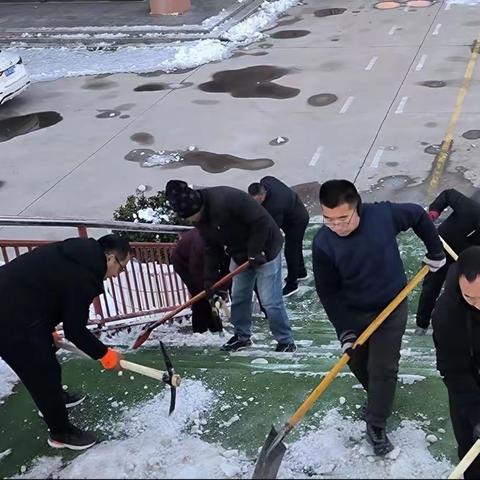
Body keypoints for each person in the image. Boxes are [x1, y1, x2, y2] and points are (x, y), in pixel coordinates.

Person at [312, 179, 445, 456]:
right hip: (353, 311)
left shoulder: (383, 216)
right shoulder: (323, 243)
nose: (336, 226)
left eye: (343, 219)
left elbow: (419, 216)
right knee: (360, 364)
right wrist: (345, 331)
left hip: (391, 304)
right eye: (328, 219)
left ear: (357, 207)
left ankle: (376, 424)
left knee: (384, 367)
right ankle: (378, 399)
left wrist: (435, 251)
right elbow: (328, 292)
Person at [0, 234, 129, 450]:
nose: (117, 275)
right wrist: (105, 355)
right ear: (110, 257)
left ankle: (54, 399)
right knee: (41, 368)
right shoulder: (84, 275)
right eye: (121, 268)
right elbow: (75, 331)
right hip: (9, 321)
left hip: (16, 309)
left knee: (45, 353)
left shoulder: (75, 255)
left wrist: (47, 328)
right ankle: (61, 432)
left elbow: (42, 289)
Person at [165, 180, 296, 352]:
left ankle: (285, 341)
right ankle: (242, 336)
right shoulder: (199, 218)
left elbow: (261, 221)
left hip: (266, 248)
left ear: (199, 205)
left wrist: (255, 251)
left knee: (269, 300)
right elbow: (211, 248)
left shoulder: (226, 199)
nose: (193, 220)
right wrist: (210, 282)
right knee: (239, 296)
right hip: (239, 253)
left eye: (193, 216)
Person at [432, 246, 480, 479]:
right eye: (470, 297)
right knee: (471, 446)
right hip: (468, 380)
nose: (478, 304)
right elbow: (453, 371)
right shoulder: (447, 311)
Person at [416, 189, 480, 335]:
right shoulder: (470, 208)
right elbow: (448, 194)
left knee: (464, 292)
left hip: (465, 258)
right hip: (441, 248)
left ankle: (460, 328)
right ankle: (422, 325)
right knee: (431, 288)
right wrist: (433, 212)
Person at [248, 176, 309, 297]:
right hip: (289, 211)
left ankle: (292, 284)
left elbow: (271, 232)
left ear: (263, 194)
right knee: (295, 247)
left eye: (257, 201)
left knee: (291, 249)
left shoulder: (275, 206)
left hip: (297, 220)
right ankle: (301, 272)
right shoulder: (266, 180)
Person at [171, 227, 228, 333]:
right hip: (184, 264)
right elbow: (197, 275)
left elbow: (227, 271)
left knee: (208, 296)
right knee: (200, 295)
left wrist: (222, 292)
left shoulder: (228, 242)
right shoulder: (201, 245)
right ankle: (207, 329)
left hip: (207, 262)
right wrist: (210, 294)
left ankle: (208, 329)